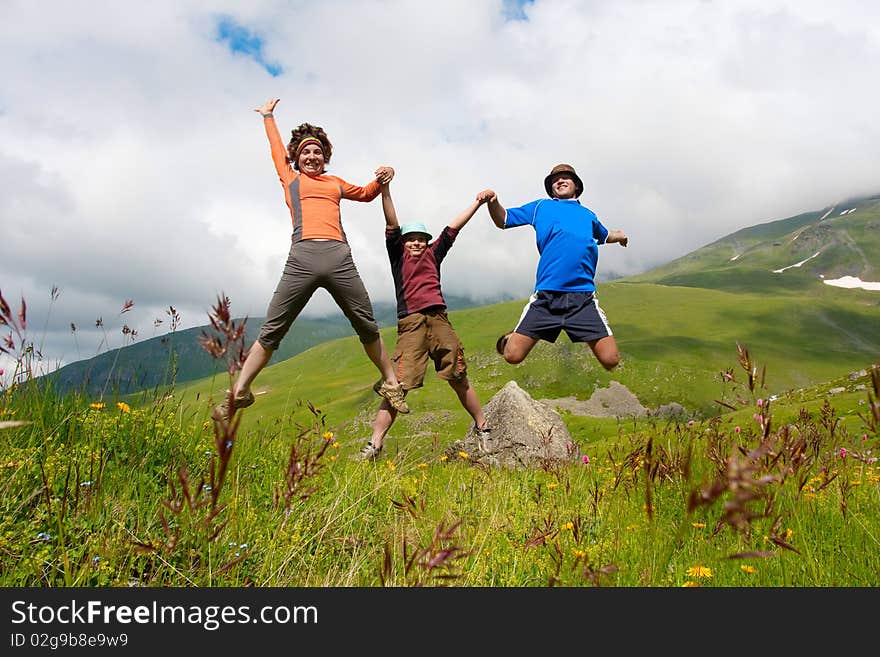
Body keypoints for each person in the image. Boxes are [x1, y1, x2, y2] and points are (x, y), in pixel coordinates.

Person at [212, 97, 409, 422]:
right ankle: (240, 392)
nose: (312, 155)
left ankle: (390, 382)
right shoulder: (290, 179)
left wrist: (386, 175)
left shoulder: (334, 183)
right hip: (302, 257)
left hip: (338, 257)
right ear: (297, 157)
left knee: (366, 323)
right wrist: (268, 117)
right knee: (273, 328)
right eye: (306, 151)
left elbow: (366, 192)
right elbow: (276, 149)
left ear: (325, 156)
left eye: (317, 151)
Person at [355, 184, 494, 461]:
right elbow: (391, 222)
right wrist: (385, 189)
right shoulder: (397, 255)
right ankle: (374, 444)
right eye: (411, 239)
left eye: (421, 239)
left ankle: (484, 427)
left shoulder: (434, 253)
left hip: (439, 319)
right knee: (397, 386)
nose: (417, 243)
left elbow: (453, 228)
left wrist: (477, 203)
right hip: (412, 322)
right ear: (403, 242)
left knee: (459, 376)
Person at [483, 163, 628, 372]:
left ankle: (577, 329)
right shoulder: (541, 207)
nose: (559, 181)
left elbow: (605, 235)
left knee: (611, 360)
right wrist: (493, 202)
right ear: (551, 188)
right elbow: (503, 219)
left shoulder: (588, 215)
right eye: (555, 180)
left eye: (565, 177)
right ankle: (514, 335)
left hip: (583, 299)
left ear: (576, 185)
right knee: (512, 356)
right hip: (547, 297)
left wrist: (620, 235)